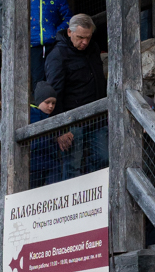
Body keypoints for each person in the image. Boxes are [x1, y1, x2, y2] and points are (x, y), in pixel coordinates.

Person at [44, 13, 107, 178]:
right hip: (71, 122)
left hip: (97, 118)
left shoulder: (93, 48)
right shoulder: (57, 55)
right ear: (70, 32)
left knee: (104, 159)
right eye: (80, 37)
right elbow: (54, 93)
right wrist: (60, 129)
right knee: (73, 167)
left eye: (88, 37)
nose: (84, 42)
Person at [29, 0, 71, 91]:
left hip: (52, 44)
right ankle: (38, 105)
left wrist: (56, 32)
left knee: (53, 75)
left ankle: (52, 107)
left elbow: (68, 18)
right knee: (36, 76)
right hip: (32, 43)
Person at [28, 86, 65, 188]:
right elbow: (12, 108)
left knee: (54, 190)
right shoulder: (29, 112)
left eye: (53, 103)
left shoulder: (53, 117)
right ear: (39, 101)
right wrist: (0, 103)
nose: (50, 106)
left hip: (51, 162)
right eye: (47, 102)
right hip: (34, 163)